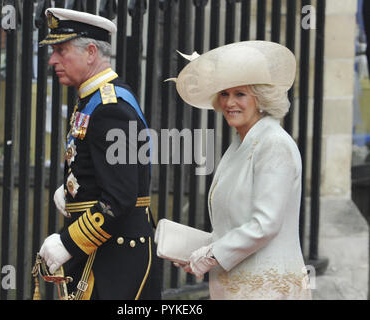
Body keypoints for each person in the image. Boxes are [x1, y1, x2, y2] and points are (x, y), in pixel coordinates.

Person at [170, 41, 312, 299]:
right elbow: (235, 223)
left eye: (240, 94)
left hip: (268, 289)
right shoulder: (240, 143)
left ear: (261, 98)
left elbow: (264, 224)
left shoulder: (274, 143)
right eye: (224, 94)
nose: (229, 103)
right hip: (237, 287)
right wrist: (196, 251)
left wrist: (210, 256)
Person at [37, 8, 161, 300]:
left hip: (115, 258)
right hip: (106, 251)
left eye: (61, 50)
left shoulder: (110, 107)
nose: (53, 59)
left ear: (90, 52)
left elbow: (120, 196)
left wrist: (68, 242)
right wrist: (73, 189)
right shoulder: (95, 98)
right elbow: (106, 170)